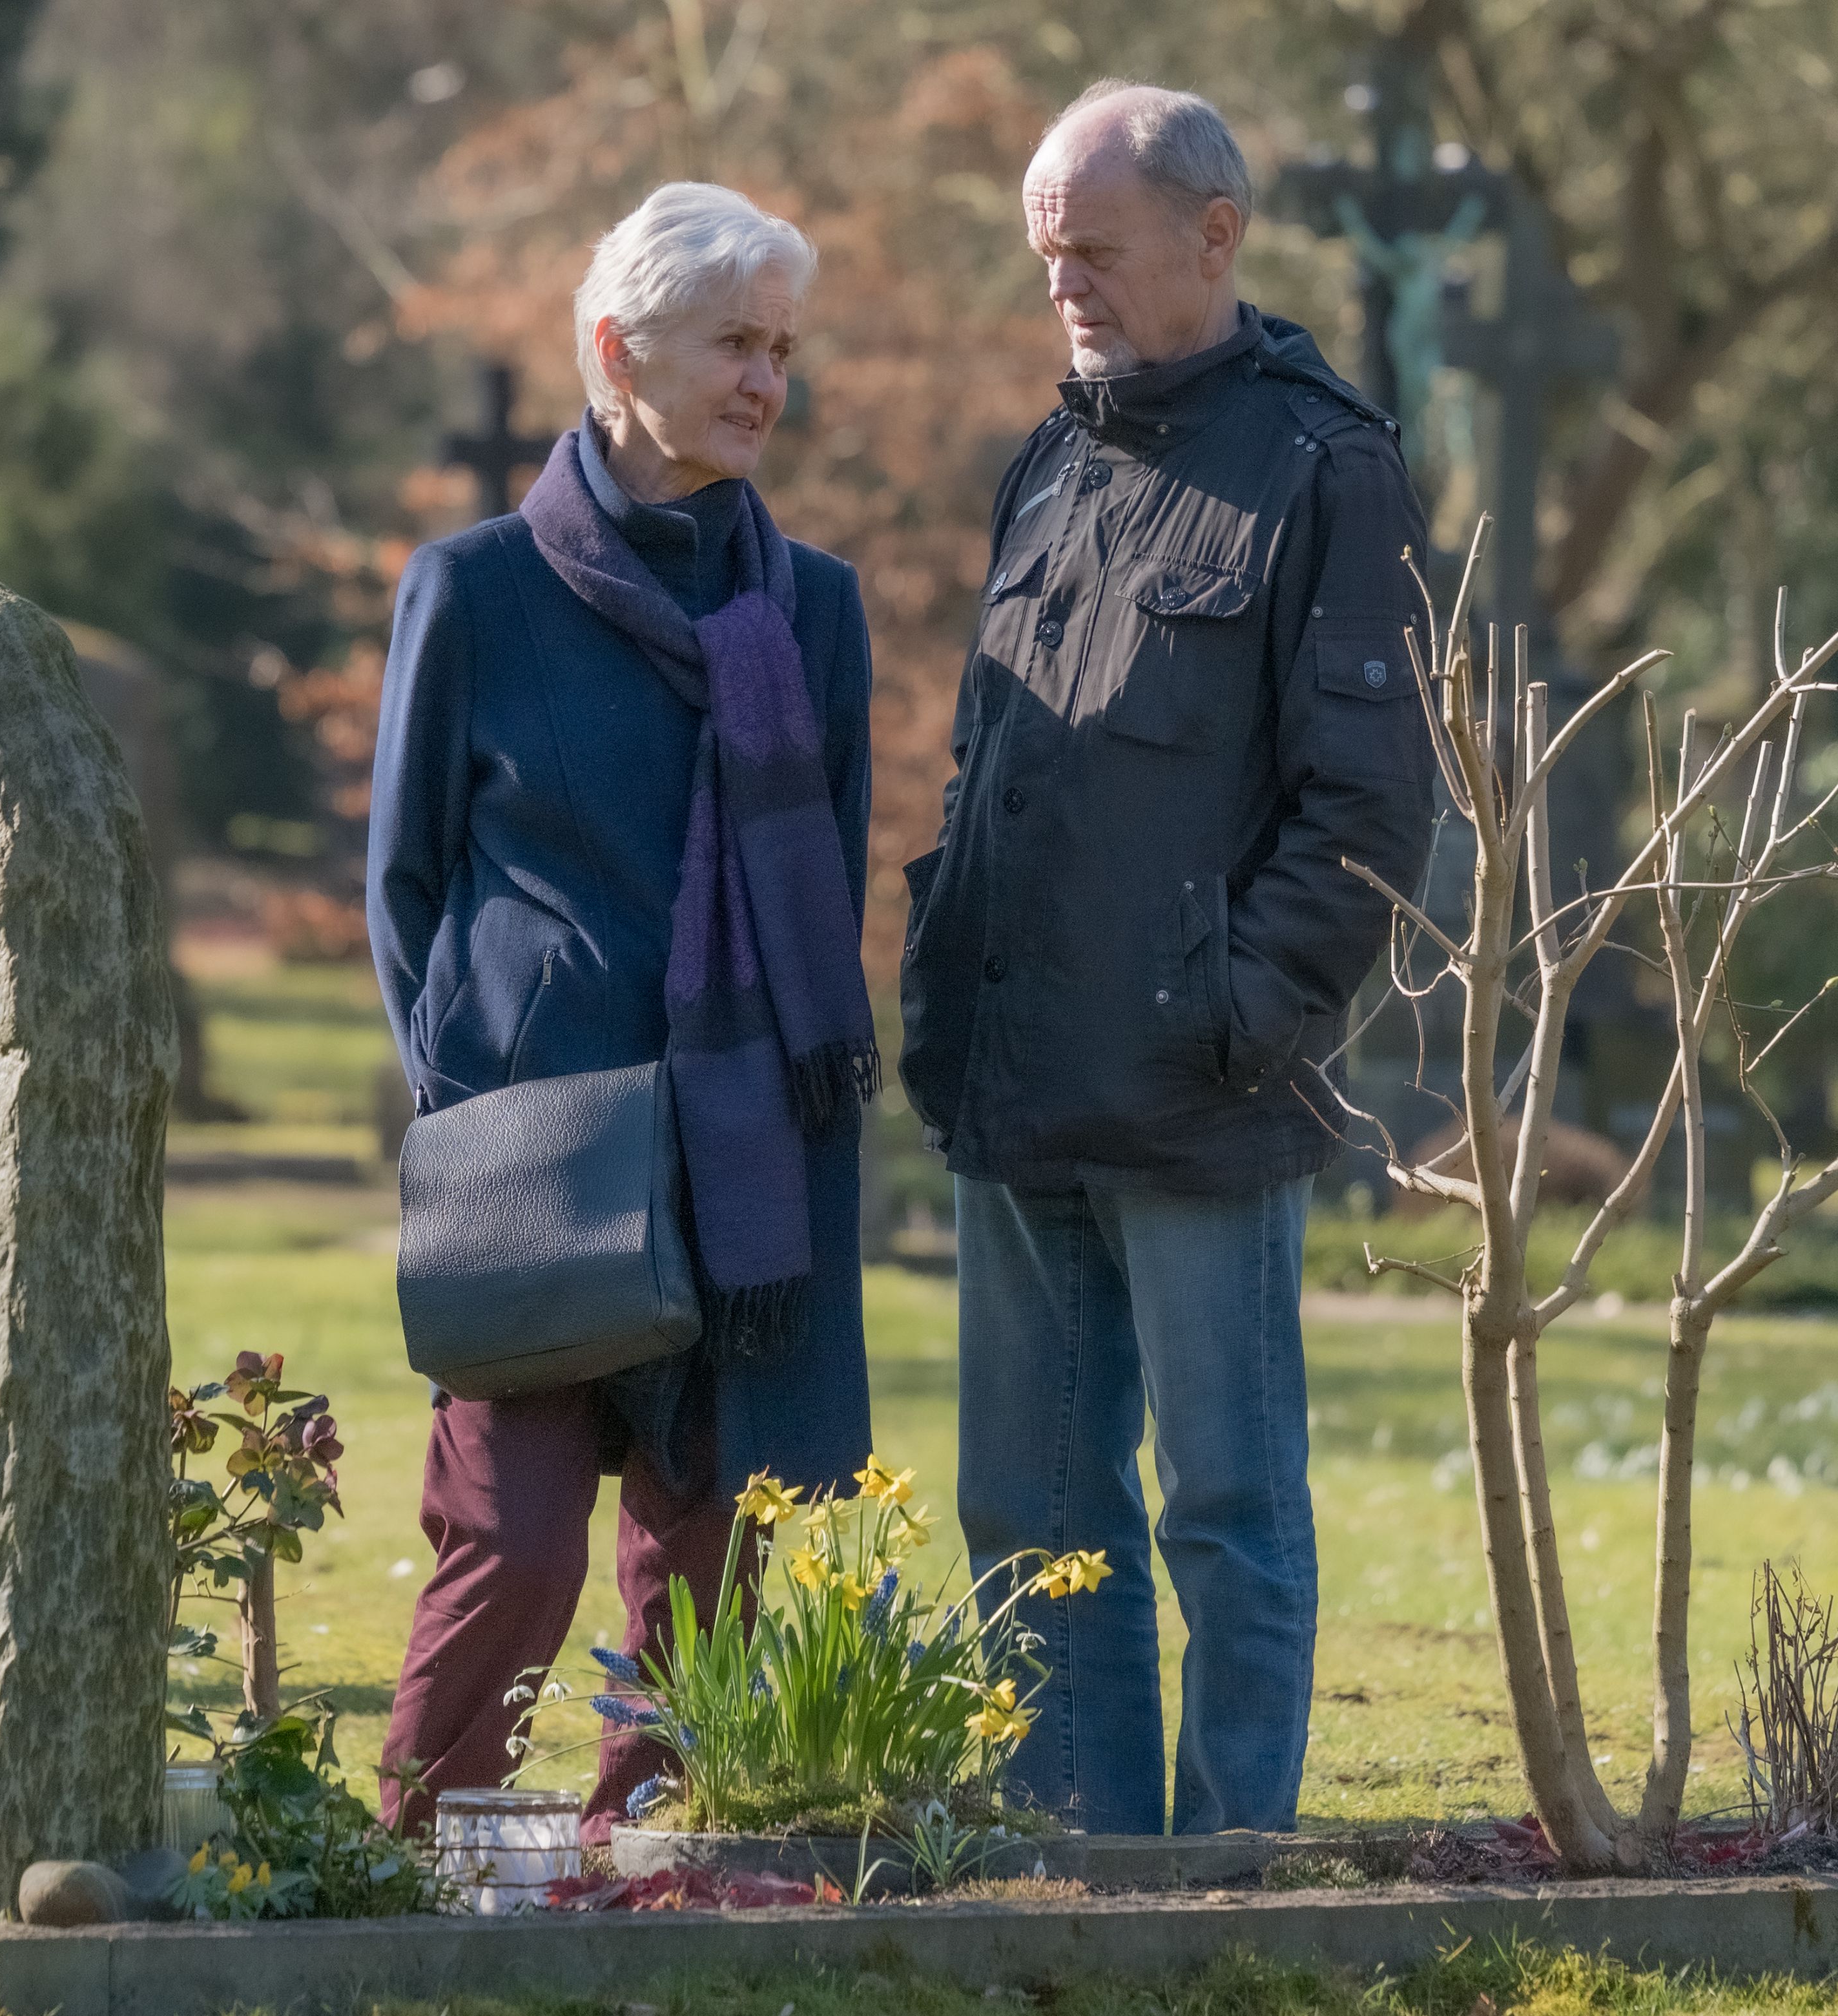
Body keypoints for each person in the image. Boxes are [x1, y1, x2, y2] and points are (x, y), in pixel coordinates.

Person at [898, 82, 1432, 1836]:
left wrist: (1234, 1016)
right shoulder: (1046, 460)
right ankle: (1083, 1866)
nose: (1063, 284)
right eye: (1047, 254)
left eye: (1095, 252)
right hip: (1016, 1080)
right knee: (1030, 1519)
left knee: (1227, 1513)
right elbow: (987, 763)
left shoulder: (1325, 467)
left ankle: (1227, 1883)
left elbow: (1368, 813)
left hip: (1203, 1093)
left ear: (1216, 237)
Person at [367, 182, 876, 1841]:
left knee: (706, 1552)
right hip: (533, 1156)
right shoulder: (474, 589)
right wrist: (478, 1094)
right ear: (619, 350)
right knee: (514, 1545)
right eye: (732, 344)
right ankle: (420, 1865)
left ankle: (652, 1863)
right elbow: (405, 887)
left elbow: (824, 885)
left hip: (739, 1150)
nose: (763, 381)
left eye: (778, 349)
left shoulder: (811, 611)